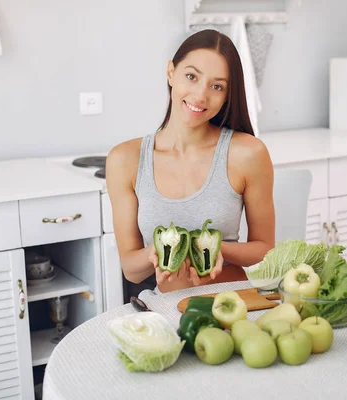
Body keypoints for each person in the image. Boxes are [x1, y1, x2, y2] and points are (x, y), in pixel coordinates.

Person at [106, 29, 275, 294]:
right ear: (171, 73)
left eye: (216, 86)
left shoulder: (248, 154)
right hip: (162, 307)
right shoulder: (124, 160)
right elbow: (131, 270)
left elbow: (265, 251)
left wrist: (213, 246)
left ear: (228, 95)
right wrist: (162, 251)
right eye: (191, 76)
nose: (200, 96)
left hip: (232, 302)